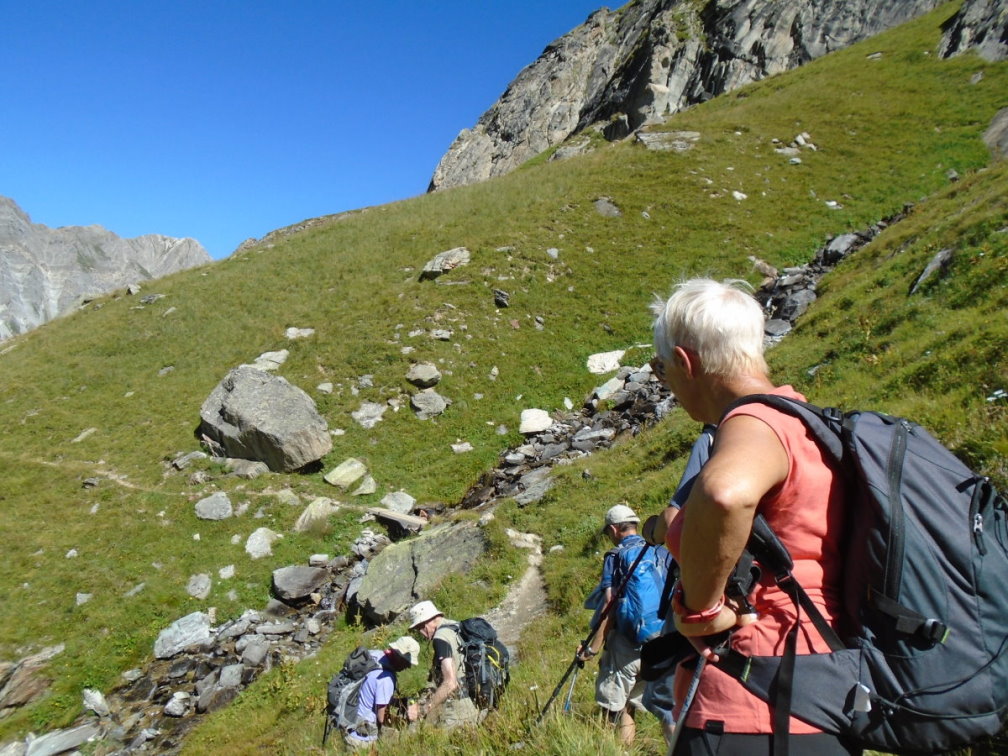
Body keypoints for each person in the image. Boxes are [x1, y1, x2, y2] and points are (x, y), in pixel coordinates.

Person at [644, 278, 858, 755]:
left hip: (753, 700)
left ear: (684, 362)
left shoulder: (752, 424)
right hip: (824, 692)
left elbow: (724, 495)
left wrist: (702, 609)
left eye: (664, 370)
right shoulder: (808, 422)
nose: (671, 386)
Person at [577, 503, 670, 745]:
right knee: (666, 705)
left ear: (613, 529)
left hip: (629, 644)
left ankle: (618, 750)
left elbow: (610, 606)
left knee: (616, 705)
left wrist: (591, 649)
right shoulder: (660, 551)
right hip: (665, 638)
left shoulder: (615, 557)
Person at [407, 599, 482, 728]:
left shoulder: (440, 637)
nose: (420, 632)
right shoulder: (456, 626)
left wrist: (423, 709)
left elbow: (450, 683)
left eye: (420, 626)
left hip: (457, 712)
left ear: (430, 619)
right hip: (473, 702)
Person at [343, 636, 421, 749]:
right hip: (362, 739)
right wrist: (403, 724)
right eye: (407, 662)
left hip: (349, 722)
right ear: (399, 657)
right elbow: (381, 717)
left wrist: (397, 702)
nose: (408, 666)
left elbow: (371, 691)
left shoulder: (375, 655)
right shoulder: (386, 679)